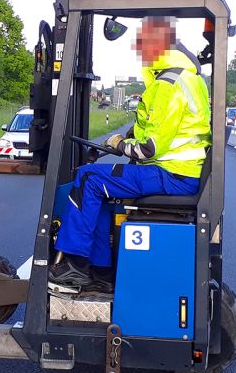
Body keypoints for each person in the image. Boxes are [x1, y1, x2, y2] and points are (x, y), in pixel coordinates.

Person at [49, 16, 211, 292]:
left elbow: (148, 149)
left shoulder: (167, 85)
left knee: (89, 178)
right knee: (99, 190)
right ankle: (100, 270)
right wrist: (122, 140)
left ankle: (72, 264)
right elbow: (153, 129)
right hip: (183, 170)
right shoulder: (187, 80)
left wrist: (119, 144)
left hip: (172, 174)